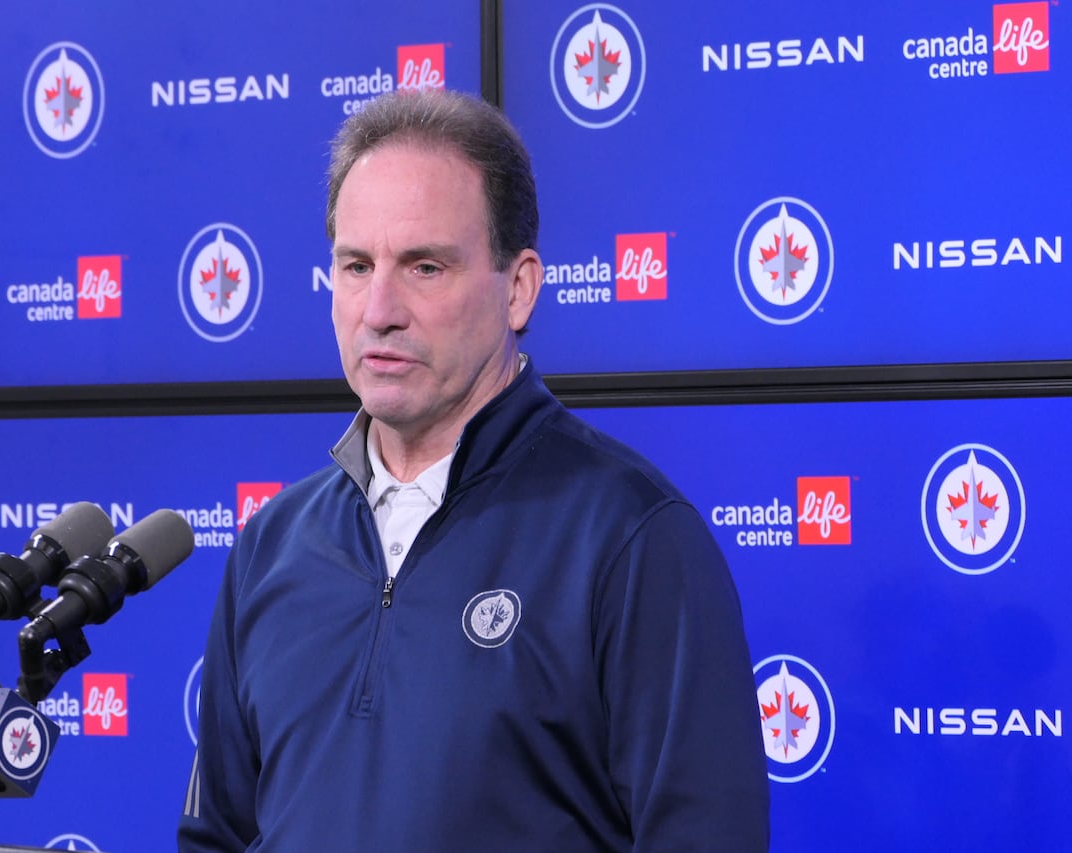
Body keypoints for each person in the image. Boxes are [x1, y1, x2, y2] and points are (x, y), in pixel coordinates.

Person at [178, 88, 769, 852]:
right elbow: (216, 838)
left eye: (424, 266)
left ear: (517, 288)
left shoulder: (631, 537)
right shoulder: (271, 546)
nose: (379, 307)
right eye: (356, 265)